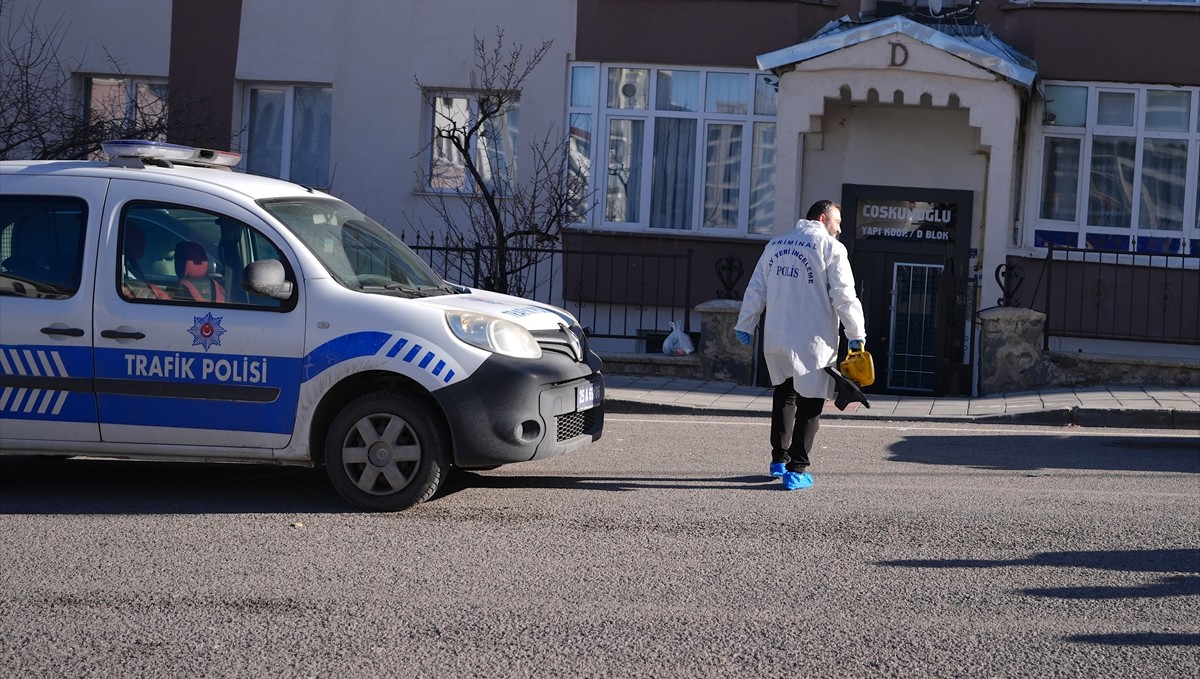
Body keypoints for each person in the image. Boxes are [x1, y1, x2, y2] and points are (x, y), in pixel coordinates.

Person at [734, 200, 866, 491]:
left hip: (778, 336)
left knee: (784, 395)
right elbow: (845, 296)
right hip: (812, 340)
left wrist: (746, 324)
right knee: (811, 403)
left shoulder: (776, 245)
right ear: (822, 219)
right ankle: (797, 469)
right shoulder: (831, 248)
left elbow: (757, 288)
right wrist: (856, 332)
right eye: (837, 222)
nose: (840, 228)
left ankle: (779, 460)